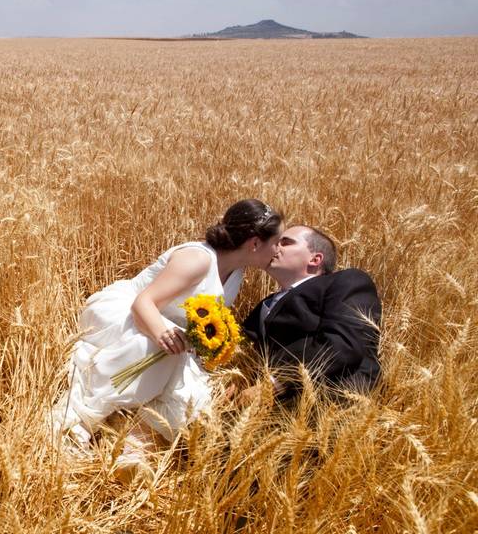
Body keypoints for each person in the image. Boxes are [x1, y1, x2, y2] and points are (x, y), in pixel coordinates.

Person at [52, 199, 283, 469]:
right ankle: (81, 425)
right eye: (276, 242)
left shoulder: (236, 274)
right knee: (161, 354)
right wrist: (165, 335)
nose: (278, 251)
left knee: (192, 395)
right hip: (126, 309)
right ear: (255, 243)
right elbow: (144, 302)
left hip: (164, 324)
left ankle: (131, 447)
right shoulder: (198, 259)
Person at [241, 225, 382, 405]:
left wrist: (275, 384)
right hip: (267, 412)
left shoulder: (346, 281)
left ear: (315, 259)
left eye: (285, 242)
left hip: (331, 402)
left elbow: (343, 344)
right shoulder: (265, 304)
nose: (275, 247)